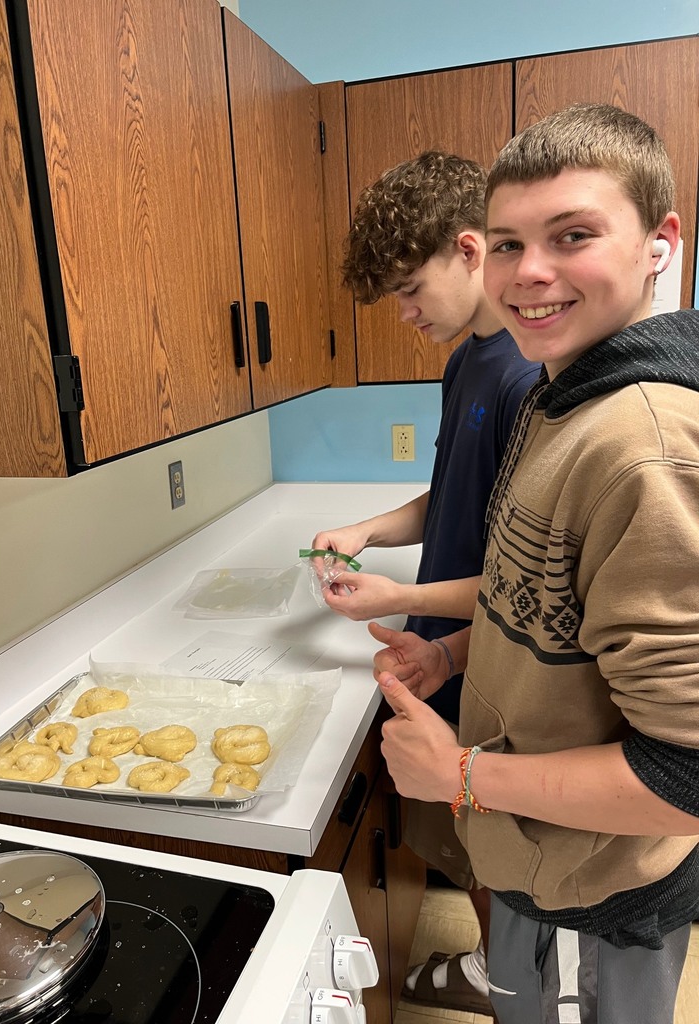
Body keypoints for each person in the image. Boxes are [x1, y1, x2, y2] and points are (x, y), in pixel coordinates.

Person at [375, 103, 699, 1024]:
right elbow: (539, 601)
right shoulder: (562, 396)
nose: (532, 273)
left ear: (658, 243)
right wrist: (452, 655)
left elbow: (686, 776)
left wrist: (463, 778)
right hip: (534, 850)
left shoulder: (643, 447)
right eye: (511, 244)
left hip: (608, 879)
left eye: (574, 235)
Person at [311, 150, 540, 1015]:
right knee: (463, 840)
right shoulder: (465, 361)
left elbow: (523, 586)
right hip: (443, 649)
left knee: (491, 850)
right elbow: (448, 492)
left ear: (471, 249)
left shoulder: (524, 378)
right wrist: (368, 531)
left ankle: (503, 980)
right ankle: (489, 964)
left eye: (411, 289)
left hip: (490, 659)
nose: (404, 313)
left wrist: (387, 598)